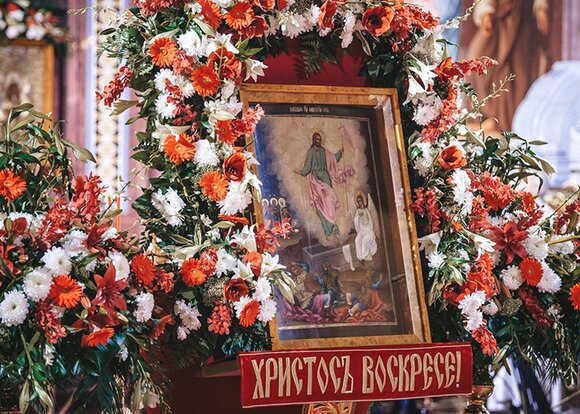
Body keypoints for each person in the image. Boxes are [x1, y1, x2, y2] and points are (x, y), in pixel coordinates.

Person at [464, 0, 551, 129]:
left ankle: (503, 121)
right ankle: (485, 116)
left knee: (516, 73)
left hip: (523, 21)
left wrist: (541, 7)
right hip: (498, 18)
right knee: (475, 60)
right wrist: (485, 12)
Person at [294, 130, 348, 241]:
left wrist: (340, 152)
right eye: (317, 139)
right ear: (313, 140)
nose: (318, 141)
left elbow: (333, 159)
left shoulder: (325, 152)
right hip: (316, 180)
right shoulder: (310, 152)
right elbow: (307, 167)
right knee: (320, 206)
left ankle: (334, 230)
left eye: (319, 139)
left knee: (330, 204)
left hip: (326, 178)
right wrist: (301, 172)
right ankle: (327, 232)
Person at [353, 192, 378, 262]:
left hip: (368, 230)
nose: (359, 202)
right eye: (358, 201)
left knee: (365, 240)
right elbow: (355, 220)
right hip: (362, 230)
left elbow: (370, 219)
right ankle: (362, 257)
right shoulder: (358, 211)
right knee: (357, 240)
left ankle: (366, 255)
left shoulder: (366, 210)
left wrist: (371, 228)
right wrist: (358, 216)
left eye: (360, 201)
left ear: (363, 201)